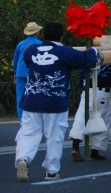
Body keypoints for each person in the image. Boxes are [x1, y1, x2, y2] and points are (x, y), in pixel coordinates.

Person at [15, 22, 102, 182]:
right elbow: (88, 60)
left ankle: (23, 159)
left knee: (28, 133)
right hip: (55, 102)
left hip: (31, 100)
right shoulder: (65, 52)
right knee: (54, 136)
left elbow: (27, 61)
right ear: (61, 36)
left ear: (42, 36)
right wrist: (95, 49)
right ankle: (51, 171)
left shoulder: (31, 50)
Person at [69, 64, 111, 161]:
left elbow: (82, 78)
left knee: (81, 118)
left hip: (87, 91)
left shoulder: (89, 57)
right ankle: (95, 151)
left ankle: (75, 146)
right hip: (103, 92)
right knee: (102, 121)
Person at [13, 22, 42, 120]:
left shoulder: (20, 44)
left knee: (20, 96)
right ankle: (34, 118)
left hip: (20, 73)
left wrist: (15, 73)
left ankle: (22, 118)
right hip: (34, 73)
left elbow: (16, 59)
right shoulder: (40, 43)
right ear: (37, 32)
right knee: (35, 94)